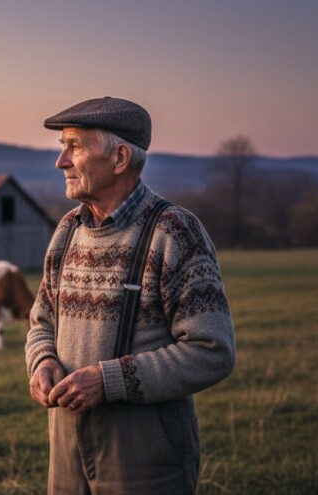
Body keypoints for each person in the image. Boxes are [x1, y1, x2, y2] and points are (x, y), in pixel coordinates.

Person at [25, 96, 236, 494]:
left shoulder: (175, 232)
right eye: (62, 148)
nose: (61, 162)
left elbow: (212, 350)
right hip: (66, 451)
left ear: (120, 157)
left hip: (145, 458)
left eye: (74, 147)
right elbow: (41, 320)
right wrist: (42, 360)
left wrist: (110, 382)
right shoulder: (67, 230)